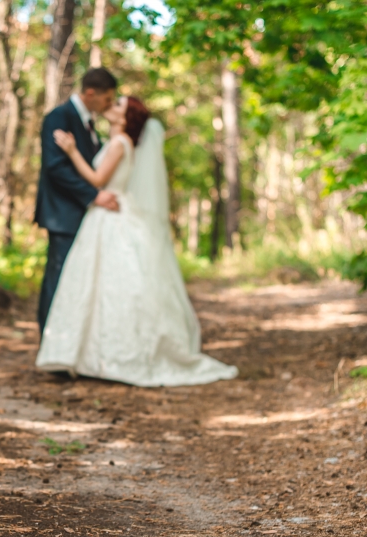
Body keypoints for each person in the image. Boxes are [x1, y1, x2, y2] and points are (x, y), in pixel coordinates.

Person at [35, 95, 238, 387]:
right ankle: (92, 354)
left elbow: (97, 179)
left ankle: (115, 355)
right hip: (104, 217)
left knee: (112, 284)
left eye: (118, 105)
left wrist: (71, 151)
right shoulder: (115, 141)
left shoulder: (120, 143)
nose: (111, 106)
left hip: (110, 216)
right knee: (99, 285)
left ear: (127, 117)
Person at [34, 68, 120, 335]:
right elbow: (55, 167)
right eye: (107, 99)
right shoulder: (59, 117)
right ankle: (49, 339)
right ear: (91, 93)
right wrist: (94, 196)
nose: (109, 105)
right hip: (63, 215)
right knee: (59, 279)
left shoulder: (89, 123)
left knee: (77, 280)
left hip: (84, 216)